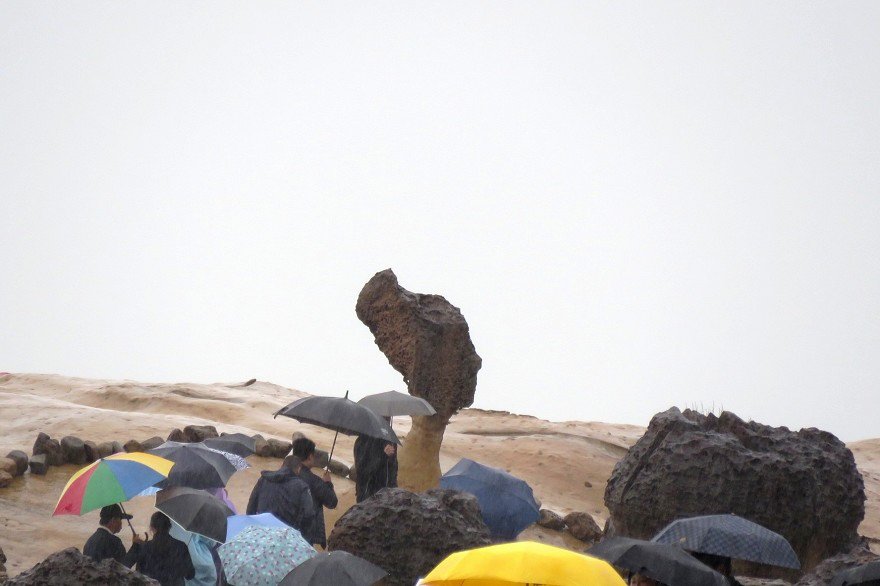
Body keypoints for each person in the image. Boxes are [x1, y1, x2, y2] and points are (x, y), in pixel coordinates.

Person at [246, 455, 315, 532]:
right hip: (285, 534)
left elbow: (251, 507)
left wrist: (252, 528)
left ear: (282, 465)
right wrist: (300, 534)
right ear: (299, 469)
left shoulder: (264, 479)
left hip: (261, 532)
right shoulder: (302, 487)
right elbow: (308, 515)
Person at [291, 436, 338, 548]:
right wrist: (328, 483)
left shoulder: (286, 473)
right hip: (306, 532)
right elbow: (332, 502)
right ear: (310, 457)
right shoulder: (314, 481)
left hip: (288, 525)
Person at [133, 512, 195, 586]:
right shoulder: (181, 546)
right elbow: (190, 575)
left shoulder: (145, 548)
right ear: (169, 527)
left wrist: (136, 546)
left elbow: (139, 576)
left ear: (152, 527)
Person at [353, 429, 398, 503]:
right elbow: (363, 472)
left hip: (387, 496)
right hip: (367, 495)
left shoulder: (390, 441)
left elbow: (394, 470)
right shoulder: (362, 441)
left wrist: (394, 490)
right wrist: (383, 456)